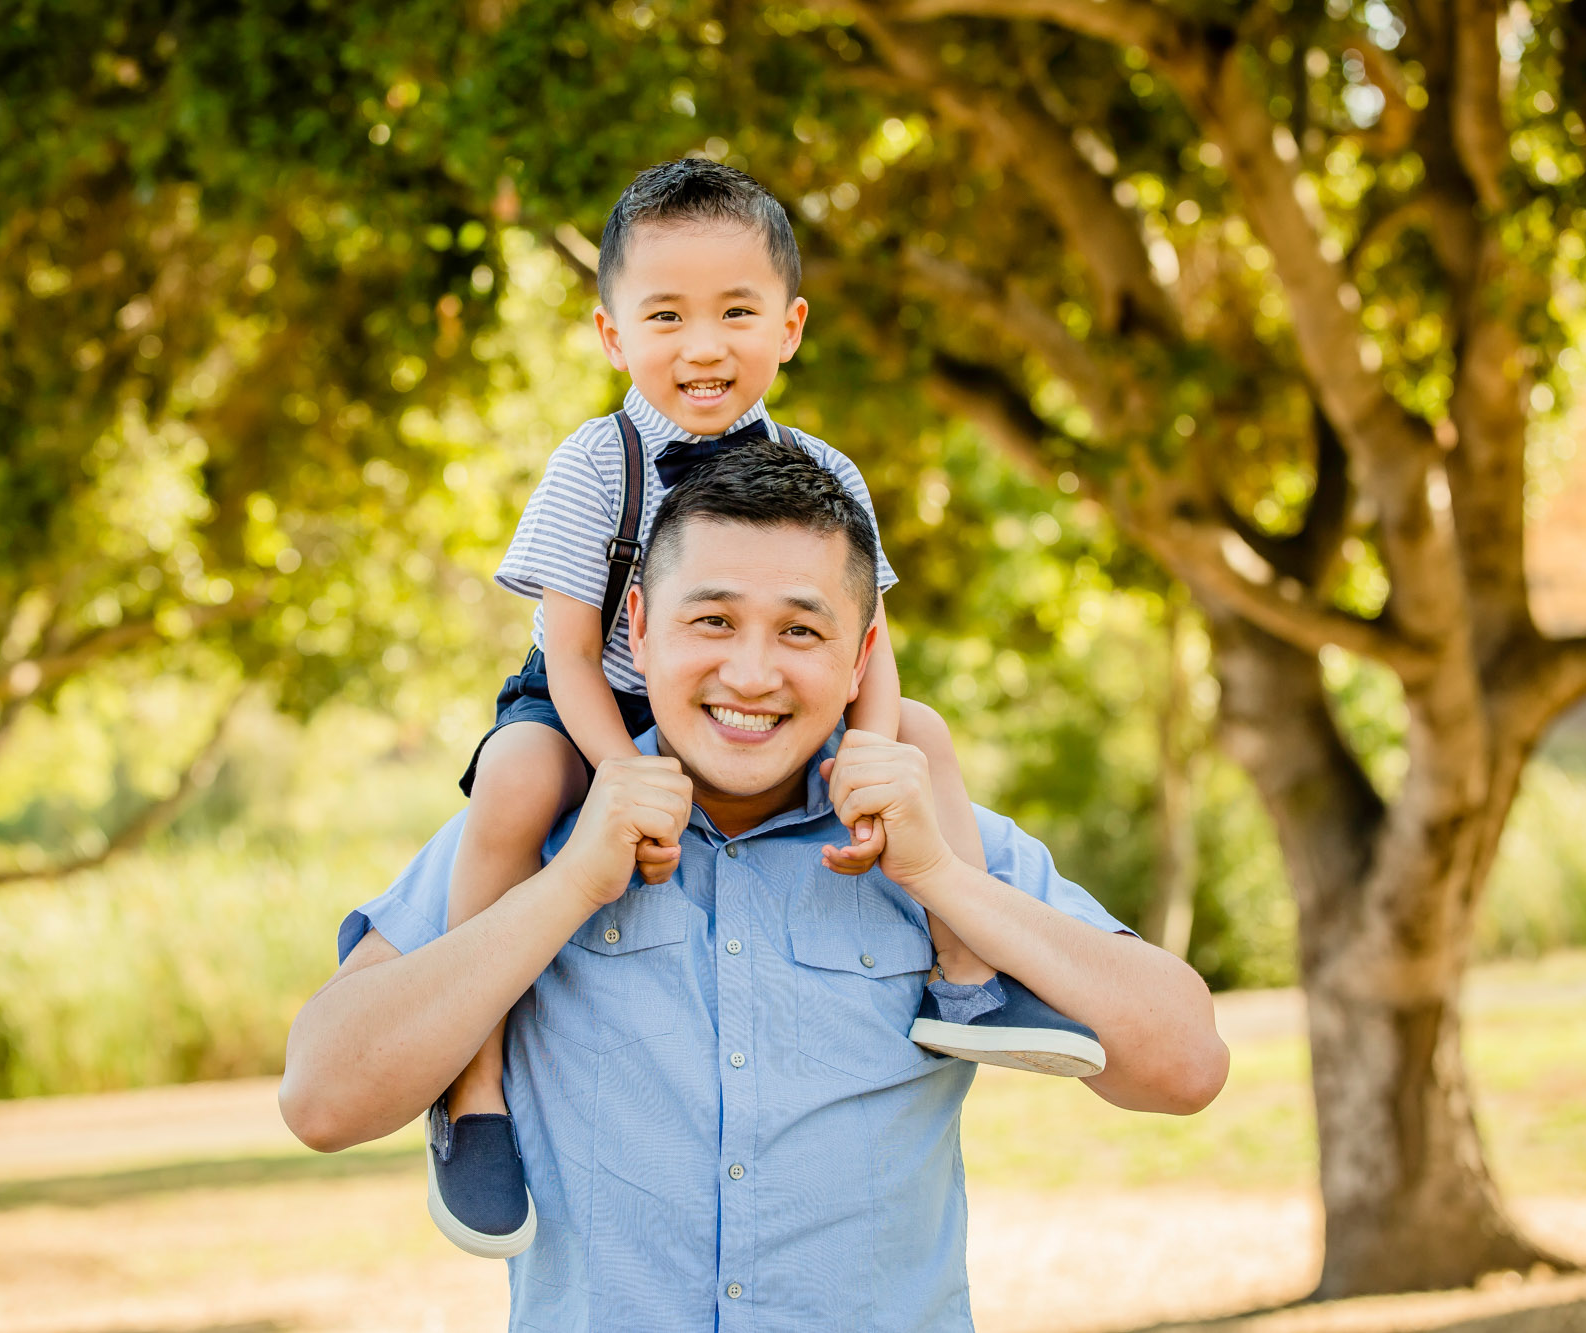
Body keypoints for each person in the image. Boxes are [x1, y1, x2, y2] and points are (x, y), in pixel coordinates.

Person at [279, 444, 1231, 1331]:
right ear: (641, 631)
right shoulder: (534, 830)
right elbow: (323, 1099)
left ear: (859, 659)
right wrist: (569, 886)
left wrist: (940, 876)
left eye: (801, 630)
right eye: (713, 619)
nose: (752, 671)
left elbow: (1185, 1065)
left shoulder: (933, 833)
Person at [427, 158, 1091, 1257]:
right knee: (514, 774)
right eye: (666, 316)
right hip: (602, 701)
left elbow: (869, 641)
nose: (702, 346)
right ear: (609, 334)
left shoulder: (820, 469)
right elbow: (571, 648)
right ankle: (472, 1088)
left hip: (766, 701)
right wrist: (622, 769)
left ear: (787, 327)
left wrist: (867, 760)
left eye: (736, 313)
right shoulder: (599, 465)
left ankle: (968, 980)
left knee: (919, 733)